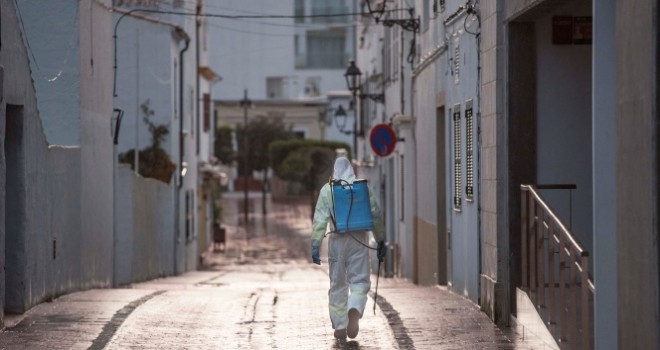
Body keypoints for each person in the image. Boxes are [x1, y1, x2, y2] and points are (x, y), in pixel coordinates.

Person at [311, 156, 386, 340]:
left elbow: (320, 219)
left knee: (337, 283)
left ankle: (339, 325)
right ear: (351, 169)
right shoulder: (362, 188)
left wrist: (316, 244)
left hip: (337, 240)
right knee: (359, 280)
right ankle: (355, 307)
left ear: (335, 170)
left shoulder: (328, 190)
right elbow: (375, 214)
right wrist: (381, 239)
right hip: (359, 238)